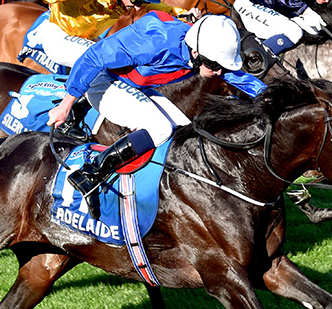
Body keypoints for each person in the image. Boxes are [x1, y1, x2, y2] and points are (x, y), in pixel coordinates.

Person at [46, 13, 267, 218]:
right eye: (214, 66)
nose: (219, 72)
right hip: (104, 81)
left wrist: (273, 98)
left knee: (185, 131)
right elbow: (93, 57)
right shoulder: (154, 43)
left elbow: (238, 77)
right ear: (196, 53)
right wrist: (66, 104)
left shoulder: (205, 47)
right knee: (160, 128)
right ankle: (89, 176)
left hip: (131, 85)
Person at [34, 0, 177, 70]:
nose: (139, 7)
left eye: (142, 1)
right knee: (103, 61)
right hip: (60, 34)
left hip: (88, 38)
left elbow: (159, 8)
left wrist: (182, 15)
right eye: (136, 0)